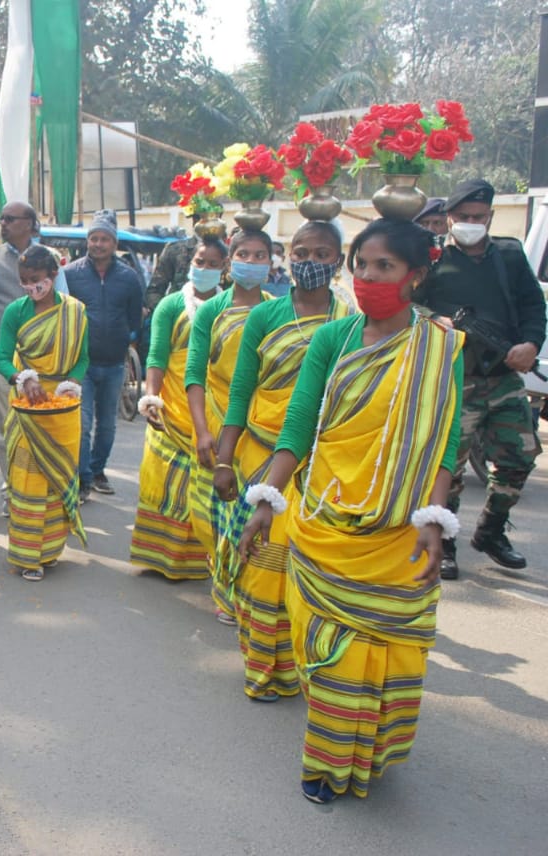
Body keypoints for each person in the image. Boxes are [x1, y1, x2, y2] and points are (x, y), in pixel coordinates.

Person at [239, 217, 463, 804]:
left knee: (388, 652)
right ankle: (328, 759)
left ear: (414, 276)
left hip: (400, 534)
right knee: (332, 654)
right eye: (361, 264)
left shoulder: (440, 347)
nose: (367, 277)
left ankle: (371, 752)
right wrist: (267, 497)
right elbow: (299, 425)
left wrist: (435, 521)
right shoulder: (331, 340)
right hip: (325, 520)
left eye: (383, 266)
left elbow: (444, 439)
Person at [213, 220, 350, 701]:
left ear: (338, 260)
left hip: (317, 462)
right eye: (301, 251)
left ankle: (293, 665)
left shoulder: (350, 322)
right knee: (262, 563)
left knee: (299, 567)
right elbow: (240, 392)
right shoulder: (264, 319)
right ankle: (260, 668)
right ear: (285, 257)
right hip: (259, 455)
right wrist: (223, 459)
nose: (310, 261)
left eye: (322, 252)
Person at [415, 178, 545, 579]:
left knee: (519, 455)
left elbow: (531, 304)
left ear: (490, 217)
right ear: (450, 217)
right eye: (464, 216)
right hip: (456, 376)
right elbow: (410, 301)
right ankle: (447, 542)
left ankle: (490, 531)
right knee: (449, 466)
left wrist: (530, 343)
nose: (472, 222)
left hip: (503, 375)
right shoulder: (432, 258)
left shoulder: (507, 254)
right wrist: (435, 320)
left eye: (480, 217)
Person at [129, 235, 225, 579]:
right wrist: (151, 398)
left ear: (224, 269)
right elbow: (156, 355)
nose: (205, 269)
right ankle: (160, 557)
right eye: (200, 262)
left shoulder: (229, 307)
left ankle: (200, 559)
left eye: (213, 264)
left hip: (211, 411)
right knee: (166, 481)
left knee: (201, 485)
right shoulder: (170, 305)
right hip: (171, 409)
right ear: (190, 264)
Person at [185, 229, 272, 601]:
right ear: (229, 262)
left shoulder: (277, 310)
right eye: (244, 254)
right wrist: (203, 430)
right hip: (218, 419)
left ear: (271, 262)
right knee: (216, 512)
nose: (251, 262)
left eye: (260, 256)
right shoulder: (211, 311)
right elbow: (195, 374)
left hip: (265, 423)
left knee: (256, 509)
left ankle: (243, 590)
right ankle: (224, 582)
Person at [0, 245, 89, 580]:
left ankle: (49, 551)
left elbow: (83, 357)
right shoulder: (15, 312)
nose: (30, 287)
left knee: (56, 478)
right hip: (26, 408)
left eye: (36, 280)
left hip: (62, 409)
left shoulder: (76, 312)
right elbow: (2, 357)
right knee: (26, 480)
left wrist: (71, 383)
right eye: (24, 281)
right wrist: (22, 377)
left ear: (52, 277)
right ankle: (26, 556)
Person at [0, 201, 67, 515]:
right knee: (7, 429)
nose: (3, 223)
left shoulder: (52, 260)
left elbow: (65, 306)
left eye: (11, 219)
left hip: (46, 360)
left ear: (30, 223)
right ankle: (12, 492)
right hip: (1, 360)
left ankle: (46, 491)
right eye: (2, 218)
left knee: (46, 427)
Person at [64, 209, 143, 500]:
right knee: (82, 424)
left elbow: (136, 319)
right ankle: (82, 478)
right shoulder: (71, 274)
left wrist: (126, 339)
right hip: (80, 364)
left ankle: (98, 471)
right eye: (93, 238)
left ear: (114, 242)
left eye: (104, 239)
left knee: (107, 424)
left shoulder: (129, 277)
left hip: (114, 364)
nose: (98, 244)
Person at [144, 221, 199, 311]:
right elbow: (154, 291)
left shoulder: (226, 253)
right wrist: (165, 313)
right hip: (177, 314)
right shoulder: (176, 249)